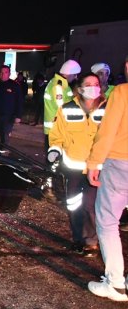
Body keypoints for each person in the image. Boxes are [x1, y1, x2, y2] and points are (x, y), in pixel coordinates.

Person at [47, 73, 106, 257]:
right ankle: (77, 238)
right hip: (73, 167)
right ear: (80, 89)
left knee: (90, 205)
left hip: (96, 168)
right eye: (88, 84)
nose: (93, 87)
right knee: (73, 204)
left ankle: (91, 241)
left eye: (96, 84)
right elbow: (57, 135)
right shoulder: (66, 109)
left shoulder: (107, 109)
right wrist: (54, 150)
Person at [85, 83, 128, 301]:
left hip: (122, 163)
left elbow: (108, 129)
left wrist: (94, 162)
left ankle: (116, 285)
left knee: (108, 222)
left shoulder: (122, 92)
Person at [44, 59, 80, 150]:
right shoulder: (58, 86)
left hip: (56, 127)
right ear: (68, 73)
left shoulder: (62, 85)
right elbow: (62, 107)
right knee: (54, 158)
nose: (76, 77)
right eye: (75, 75)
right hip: (56, 129)